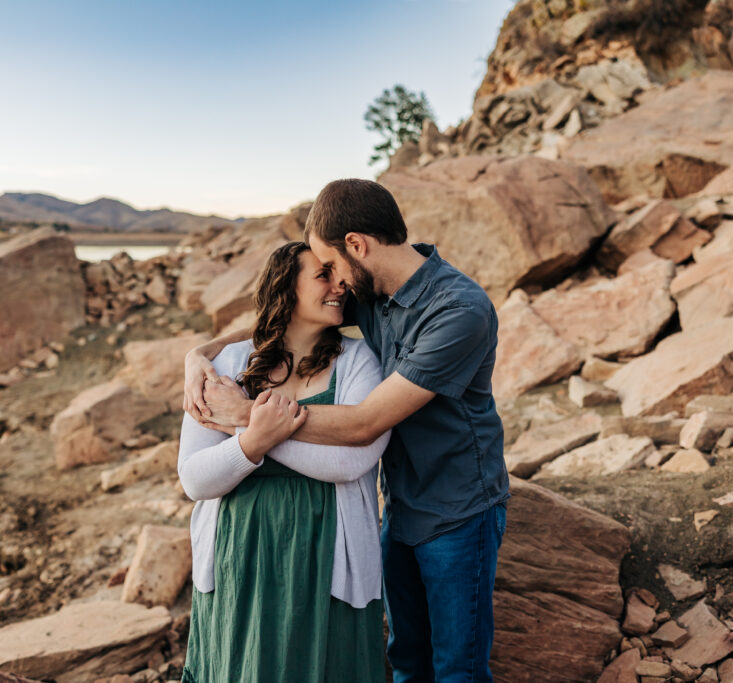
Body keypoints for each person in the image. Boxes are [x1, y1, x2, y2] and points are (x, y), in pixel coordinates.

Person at [185, 178, 509, 682]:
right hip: (400, 504)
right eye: (325, 274)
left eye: (332, 265)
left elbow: (365, 424)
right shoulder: (370, 291)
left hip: (458, 506)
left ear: (357, 246)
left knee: (456, 670)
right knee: (406, 661)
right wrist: (198, 355)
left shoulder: (458, 311)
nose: (335, 282)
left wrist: (250, 418)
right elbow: (282, 318)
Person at [177, 240, 391, 683]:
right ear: (285, 287)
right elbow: (195, 480)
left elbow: (352, 463)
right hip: (240, 561)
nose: (340, 286)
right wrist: (254, 438)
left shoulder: (358, 362)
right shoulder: (224, 366)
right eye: (323, 275)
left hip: (326, 560)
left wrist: (252, 430)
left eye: (340, 275)